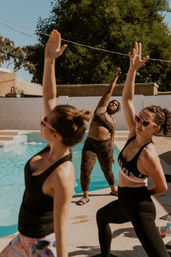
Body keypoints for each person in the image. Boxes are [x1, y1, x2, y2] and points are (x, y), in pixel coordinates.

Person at [0, 29, 91, 257]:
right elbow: (49, 97)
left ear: (56, 134)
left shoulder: (63, 173)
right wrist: (49, 61)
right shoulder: (52, 146)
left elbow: (61, 229)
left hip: (41, 247)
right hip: (22, 239)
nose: (41, 121)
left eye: (44, 122)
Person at [96, 42, 171, 257]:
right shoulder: (132, 133)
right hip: (123, 202)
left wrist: (141, 194)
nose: (139, 123)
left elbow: (162, 186)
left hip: (140, 209)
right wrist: (132, 70)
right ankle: (105, 255)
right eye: (139, 118)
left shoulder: (149, 153)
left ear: (155, 128)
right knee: (101, 217)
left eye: (145, 123)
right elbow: (127, 99)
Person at [77, 69, 121, 205]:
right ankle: (85, 196)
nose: (113, 105)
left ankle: (114, 189)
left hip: (105, 146)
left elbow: (112, 137)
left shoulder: (113, 122)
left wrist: (113, 152)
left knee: (107, 170)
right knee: (85, 169)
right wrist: (115, 78)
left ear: (116, 110)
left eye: (116, 105)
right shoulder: (100, 109)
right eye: (112, 103)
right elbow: (109, 92)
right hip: (90, 143)